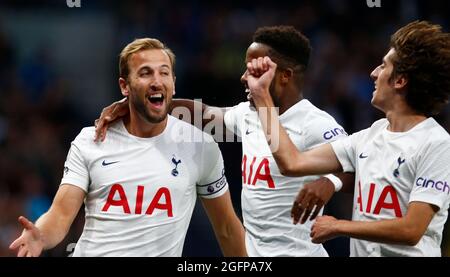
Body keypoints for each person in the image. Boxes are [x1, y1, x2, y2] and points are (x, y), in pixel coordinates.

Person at [95, 26, 354, 257]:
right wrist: (138, 104)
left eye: (254, 69)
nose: (243, 77)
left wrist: (330, 181)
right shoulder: (249, 115)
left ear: (284, 76)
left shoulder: (316, 124)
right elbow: (205, 114)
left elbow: (357, 165)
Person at [9, 38, 246, 257]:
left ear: (173, 83)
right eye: (145, 73)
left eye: (164, 73)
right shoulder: (91, 140)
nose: (156, 80)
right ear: (125, 86)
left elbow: (226, 227)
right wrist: (40, 234)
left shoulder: (200, 146)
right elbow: (60, 214)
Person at [246, 21, 450, 256]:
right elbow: (291, 163)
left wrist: (338, 226)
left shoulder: (436, 143)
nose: (374, 73)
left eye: (383, 66)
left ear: (400, 80)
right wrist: (263, 97)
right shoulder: (368, 136)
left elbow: (412, 229)